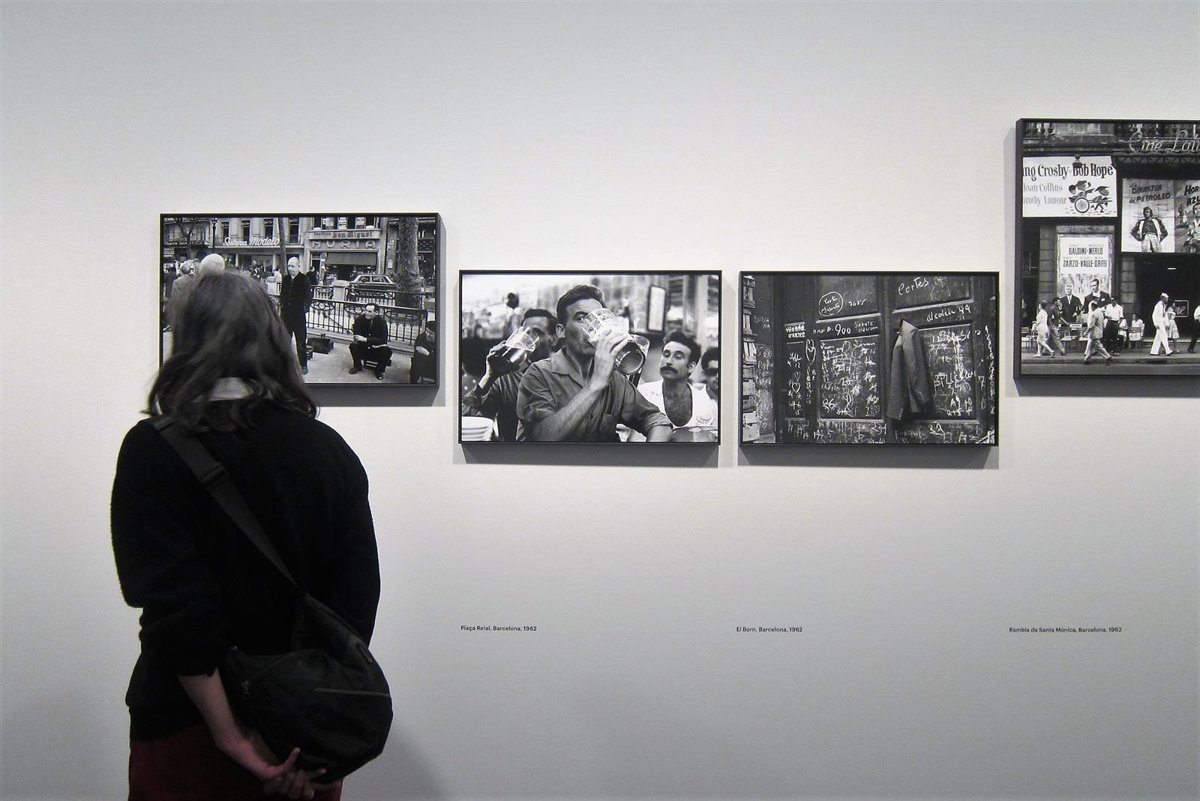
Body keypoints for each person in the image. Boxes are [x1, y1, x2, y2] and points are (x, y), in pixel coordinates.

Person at [111, 271, 379, 801]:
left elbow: (177, 608)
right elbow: (354, 603)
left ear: (186, 338)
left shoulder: (152, 449)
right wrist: (310, 728)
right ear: (272, 335)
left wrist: (232, 737)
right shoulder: (327, 449)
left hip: (188, 728)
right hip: (305, 736)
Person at [515, 284, 671, 442]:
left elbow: (658, 422)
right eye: (581, 318)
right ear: (561, 330)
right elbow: (542, 437)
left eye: (598, 319)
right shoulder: (538, 374)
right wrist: (596, 383)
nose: (592, 327)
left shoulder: (615, 379)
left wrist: (646, 455)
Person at [462, 308, 557, 441]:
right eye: (526, 333)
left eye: (537, 333)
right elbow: (466, 418)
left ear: (553, 339)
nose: (529, 339)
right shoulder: (506, 377)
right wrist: (489, 377)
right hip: (511, 453)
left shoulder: (565, 374)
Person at [635, 331, 718, 438]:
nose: (669, 361)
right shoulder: (642, 394)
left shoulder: (705, 404)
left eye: (678, 357)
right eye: (666, 355)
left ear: (691, 367)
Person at [279, 256, 311, 374]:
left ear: (298, 266)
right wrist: (282, 305)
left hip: (298, 317)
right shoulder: (286, 279)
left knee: (301, 342)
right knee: (285, 341)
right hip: (286, 316)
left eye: (293, 266)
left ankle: (303, 365)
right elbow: (283, 294)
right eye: (289, 266)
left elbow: (308, 297)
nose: (290, 268)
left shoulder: (304, 279)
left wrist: (304, 308)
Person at [349, 303, 390, 379]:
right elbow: (357, 337)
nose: (367, 313)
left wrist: (366, 339)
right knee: (353, 345)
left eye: (370, 311)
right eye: (366, 310)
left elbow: (384, 340)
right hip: (363, 347)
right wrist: (371, 341)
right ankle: (357, 366)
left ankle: (379, 370)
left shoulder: (382, 322)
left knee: (387, 351)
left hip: (376, 348)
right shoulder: (359, 319)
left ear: (376, 312)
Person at [165, 260, 197, 328]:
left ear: (181, 271)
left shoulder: (177, 282)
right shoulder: (193, 281)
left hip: (181, 307)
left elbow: (175, 296)